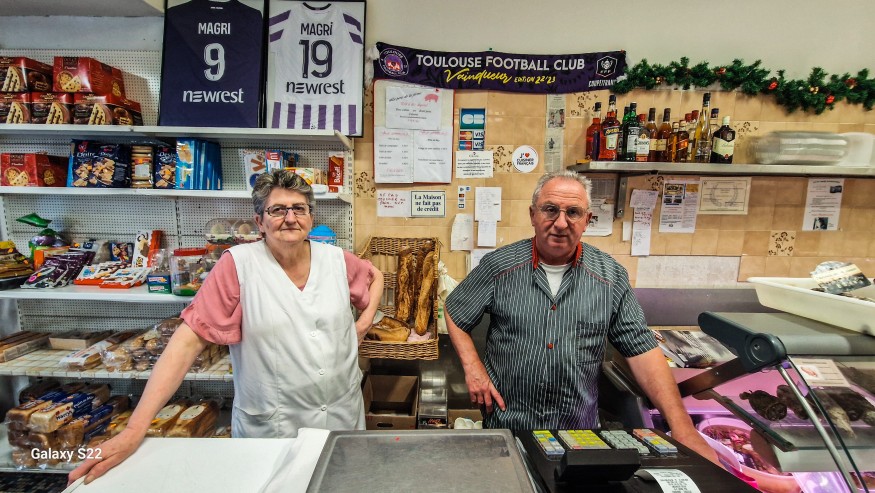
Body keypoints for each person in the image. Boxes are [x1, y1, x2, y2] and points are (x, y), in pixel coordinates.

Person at [70, 169, 383, 485]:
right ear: (259, 221)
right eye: (277, 210)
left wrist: (364, 322)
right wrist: (135, 429)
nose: (290, 218)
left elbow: (375, 277)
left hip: (341, 417)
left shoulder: (337, 260)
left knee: (342, 485)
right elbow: (187, 342)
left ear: (310, 217)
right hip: (274, 427)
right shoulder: (238, 265)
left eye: (299, 209)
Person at [445, 170, 717, 463]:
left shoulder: (610, 277)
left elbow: (642, 349)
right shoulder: (499, 266)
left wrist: (683, 427)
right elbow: (456, 310)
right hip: (509, 428)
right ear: (533, 215)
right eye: (550, 209)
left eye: (573, 212)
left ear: (587, 220)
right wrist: (473, 368)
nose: (561, 223)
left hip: (579, 435)